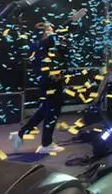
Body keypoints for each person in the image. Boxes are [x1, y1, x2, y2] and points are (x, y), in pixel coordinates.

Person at [11, 11, 84, 154]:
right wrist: (71, 21)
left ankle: (21, 134)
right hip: (50, 81)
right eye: (49, 28)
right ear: (43, 33)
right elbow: (59, 35)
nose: (52, 29)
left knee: (45, 110)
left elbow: (61, 43)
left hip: (50, 80)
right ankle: (45, 143)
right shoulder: (41, 43)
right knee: (52, 110)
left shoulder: (44, 44)